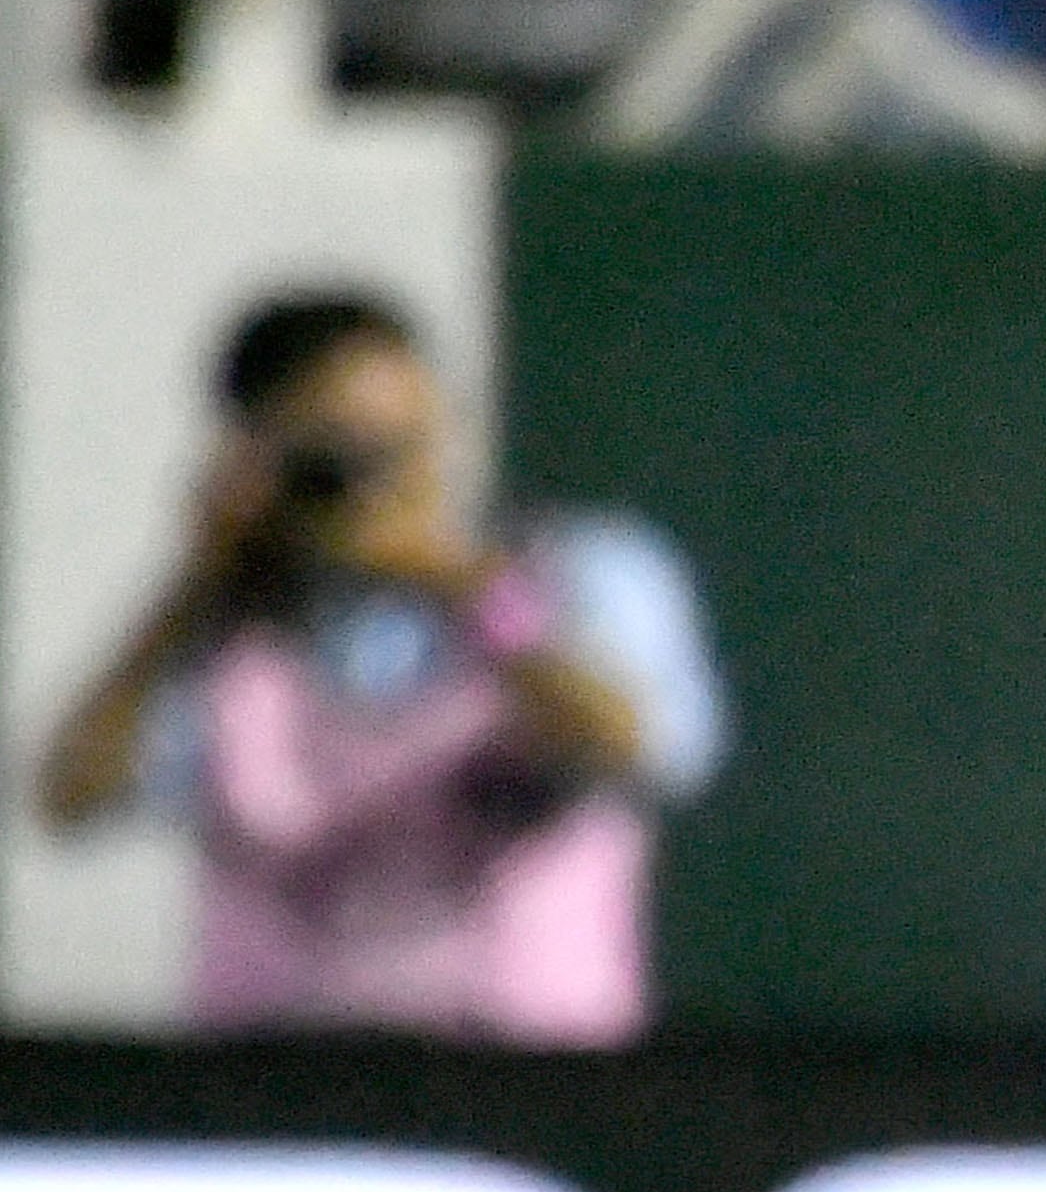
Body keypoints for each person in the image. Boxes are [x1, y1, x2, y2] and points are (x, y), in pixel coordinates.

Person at [34, 292, 724, 1045]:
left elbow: (632, 748)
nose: (380, 480)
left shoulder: (577, 574)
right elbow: (69, 796)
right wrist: (193, 587)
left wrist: (467, 593)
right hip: (276, 1085)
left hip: (529, 1078)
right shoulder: (234, 634)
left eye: (401, 444)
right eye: (340, 454)